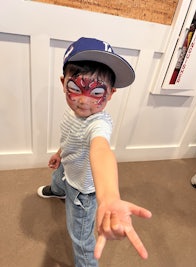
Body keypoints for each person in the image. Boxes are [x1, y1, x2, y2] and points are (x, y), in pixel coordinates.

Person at [37, 37, 152, 267]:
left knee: (81, 239)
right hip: (68, 165)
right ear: (63, 83)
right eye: (74, 87)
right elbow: (69, 135)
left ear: (110, 94)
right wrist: (60, 153)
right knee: (59, 178)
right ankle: (58, 190)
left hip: (84, 191)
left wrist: (108, 196)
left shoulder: (99, 124)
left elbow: (100, 150)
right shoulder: (73, 113)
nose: (83, 100)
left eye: (97, 91)